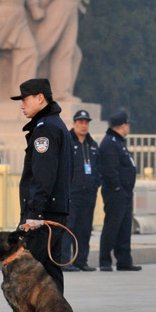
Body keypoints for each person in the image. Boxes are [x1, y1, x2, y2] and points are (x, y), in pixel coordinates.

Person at [11, 78, 72, 293]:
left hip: (43, 216)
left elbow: (42, 175)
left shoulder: (45, 129)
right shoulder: (56, 125)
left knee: (31, 277)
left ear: (40, 98)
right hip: (55, 211)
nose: (22, 105)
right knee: (51, 275)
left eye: (25, 100)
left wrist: (34, 213)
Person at [99, 111, 140, 272]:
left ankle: (124, 260)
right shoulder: (110, 143)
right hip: (116, 193)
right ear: (123, 125)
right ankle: (105, 260)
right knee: (112, 226)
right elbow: (110, 169)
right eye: (128, 125)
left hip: (125, 192)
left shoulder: (118, 142)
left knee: (124, 227)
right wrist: (117, 188)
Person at [62, 109, 100, 272]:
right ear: (74, 124)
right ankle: (65, 261)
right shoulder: (68, 142)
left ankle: (81, 260)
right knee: (68, 228)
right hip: (72, 193)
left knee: (84, 229)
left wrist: (95, 183)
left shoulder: (92, 144)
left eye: (86, 123)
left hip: (89, 193)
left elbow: (98, 167)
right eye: (80, 122)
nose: (83, 126)